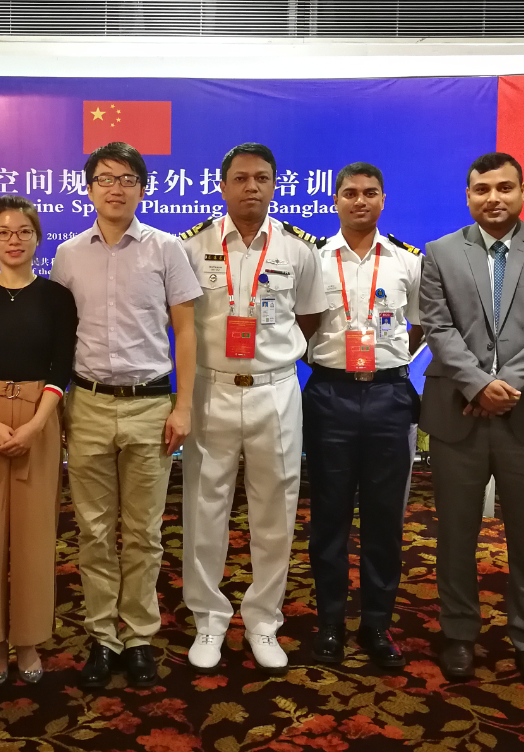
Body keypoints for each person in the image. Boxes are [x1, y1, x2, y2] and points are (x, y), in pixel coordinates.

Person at [418, 152, 524, 696]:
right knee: (455, 534)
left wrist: (505, 384)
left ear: (523, 192)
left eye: (505, 187)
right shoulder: (440, 252)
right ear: (468, 196)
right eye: (482, 189)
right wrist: (477, 385)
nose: (494, 197)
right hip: (457, 414)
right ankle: (458, 633)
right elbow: (437, 327)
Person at [50, 141, 201, 688]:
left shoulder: (166, 249)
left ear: (142, 188)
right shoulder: (68, 254)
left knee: (143, 532)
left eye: (127, 179)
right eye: (105, 178)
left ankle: (138, 637)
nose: (116, 188)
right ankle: (101, 637)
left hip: (149, 406)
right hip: (87, 404)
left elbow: (186, 331)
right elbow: (58, 336)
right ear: (89, 188)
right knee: (93, 531)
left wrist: (183, 405)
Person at [178, 142, 326, 671]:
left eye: (262, 178)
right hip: (210, 388)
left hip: (275, 390)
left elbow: (309, 317)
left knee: (276, 510)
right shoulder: (191, 247)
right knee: (204, 507)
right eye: (240, 178)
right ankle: (208, 618)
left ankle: (264, 620)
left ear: (274, 185)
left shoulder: (299, 249)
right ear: (222, 186)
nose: (251, 187)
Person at [300, 162, 422, 669]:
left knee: (384, 517)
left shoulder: (407, 261)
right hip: (330, 393)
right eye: (349, 192)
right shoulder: (313, 259)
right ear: (335, 200)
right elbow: (302, 325)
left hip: (389, 394)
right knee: (328, 516)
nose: (360, 201)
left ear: (383, 199)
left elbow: (420, 325)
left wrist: (386, 362)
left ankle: (376, 623)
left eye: (370, 192)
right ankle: (330, 621)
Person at [0, 196, 77, 687]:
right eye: (3, 232)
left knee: (34, 533)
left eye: (24, 231)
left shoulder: (57, 297)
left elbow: (61, 368)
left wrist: (35, 425)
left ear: (38, 238)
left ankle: (28, 638)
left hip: (39, 415)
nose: (14, 240)